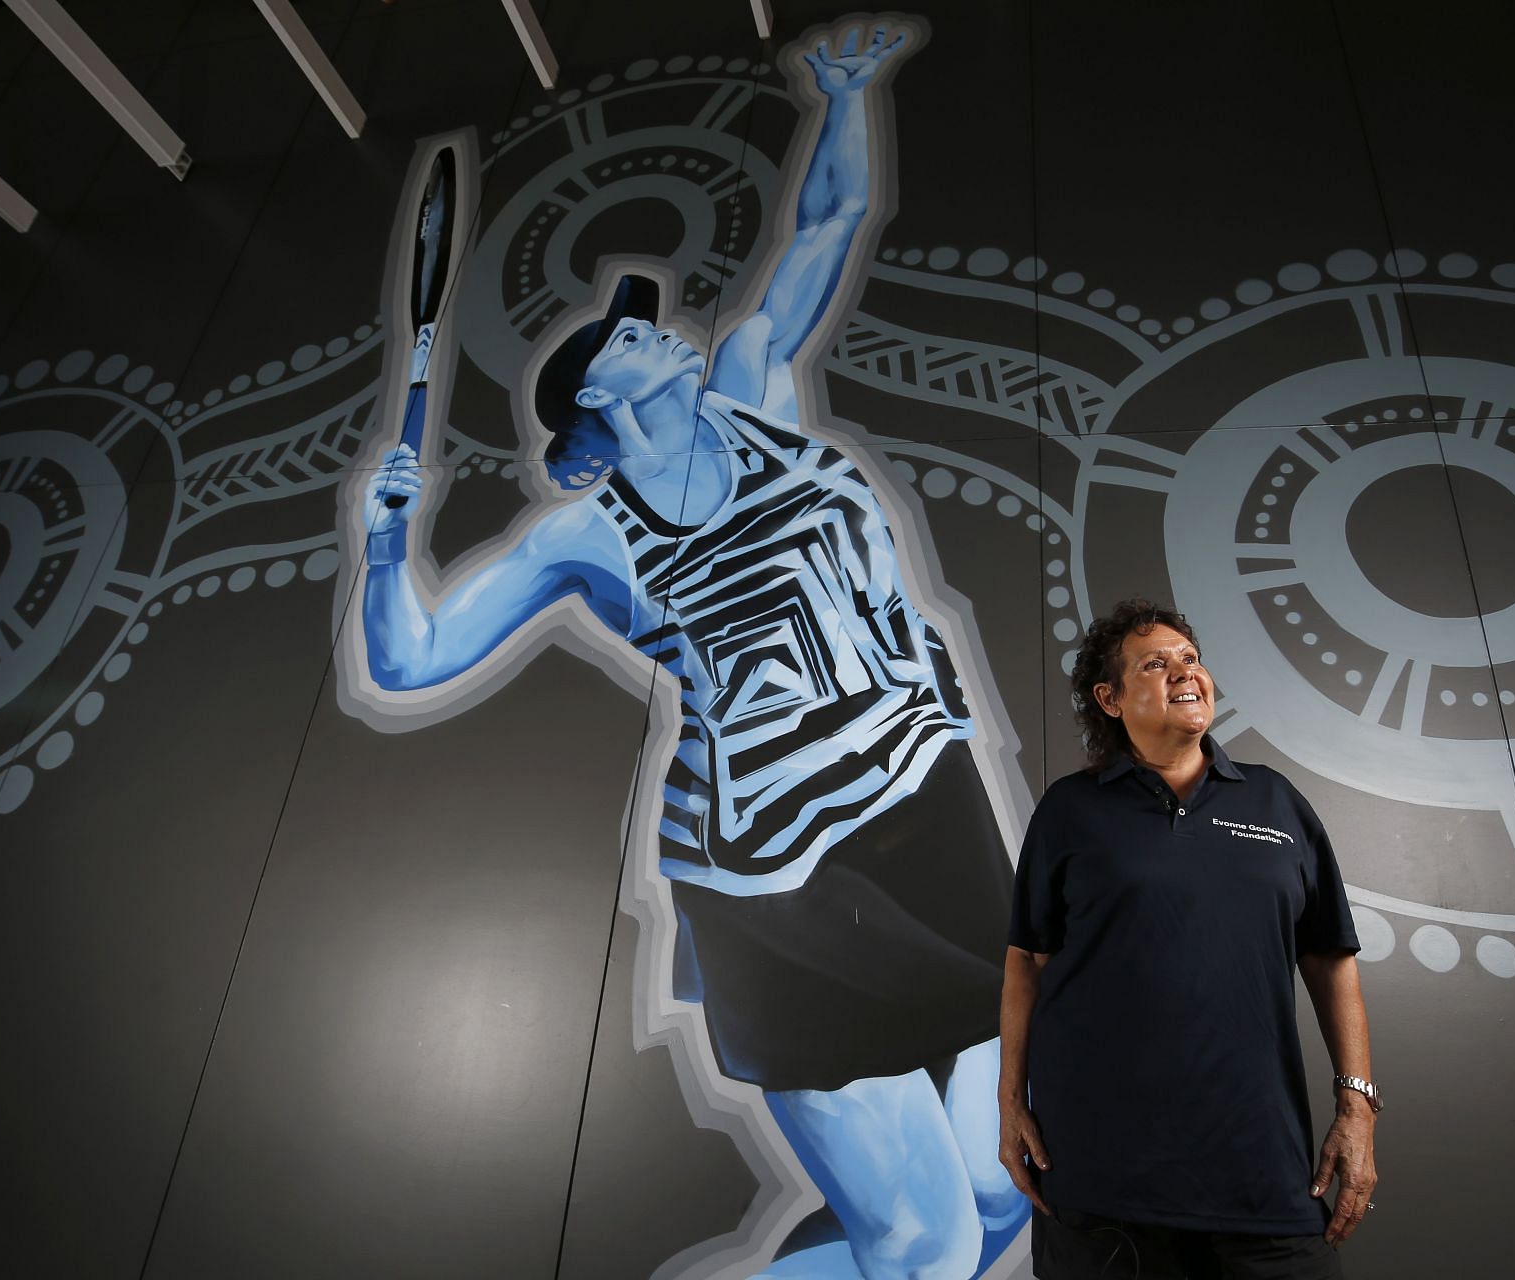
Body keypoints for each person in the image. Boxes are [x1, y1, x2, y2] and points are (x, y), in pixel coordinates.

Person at [356, 23, 1027, 1280]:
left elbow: (824, 228)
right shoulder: (588, 538)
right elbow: (411, 659)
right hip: (778, 877)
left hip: (928, 811)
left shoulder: (756, 388)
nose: (655, 325)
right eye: (624, 335)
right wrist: (389, 544)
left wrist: (841, 98)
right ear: (597, 405)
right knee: (923, 1248)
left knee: (1003, 1195)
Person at [998, 599, 1378, 1279]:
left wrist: (1357, 1107)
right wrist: (1009, 1101)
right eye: (1156, 662)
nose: (1184, 672)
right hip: (1101, 1182)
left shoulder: (1276, 802)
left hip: (1262, 1173)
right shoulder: (1070, 810)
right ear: (1110, 699)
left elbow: (1330, 956)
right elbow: (1027, 958)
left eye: (1191, 659)